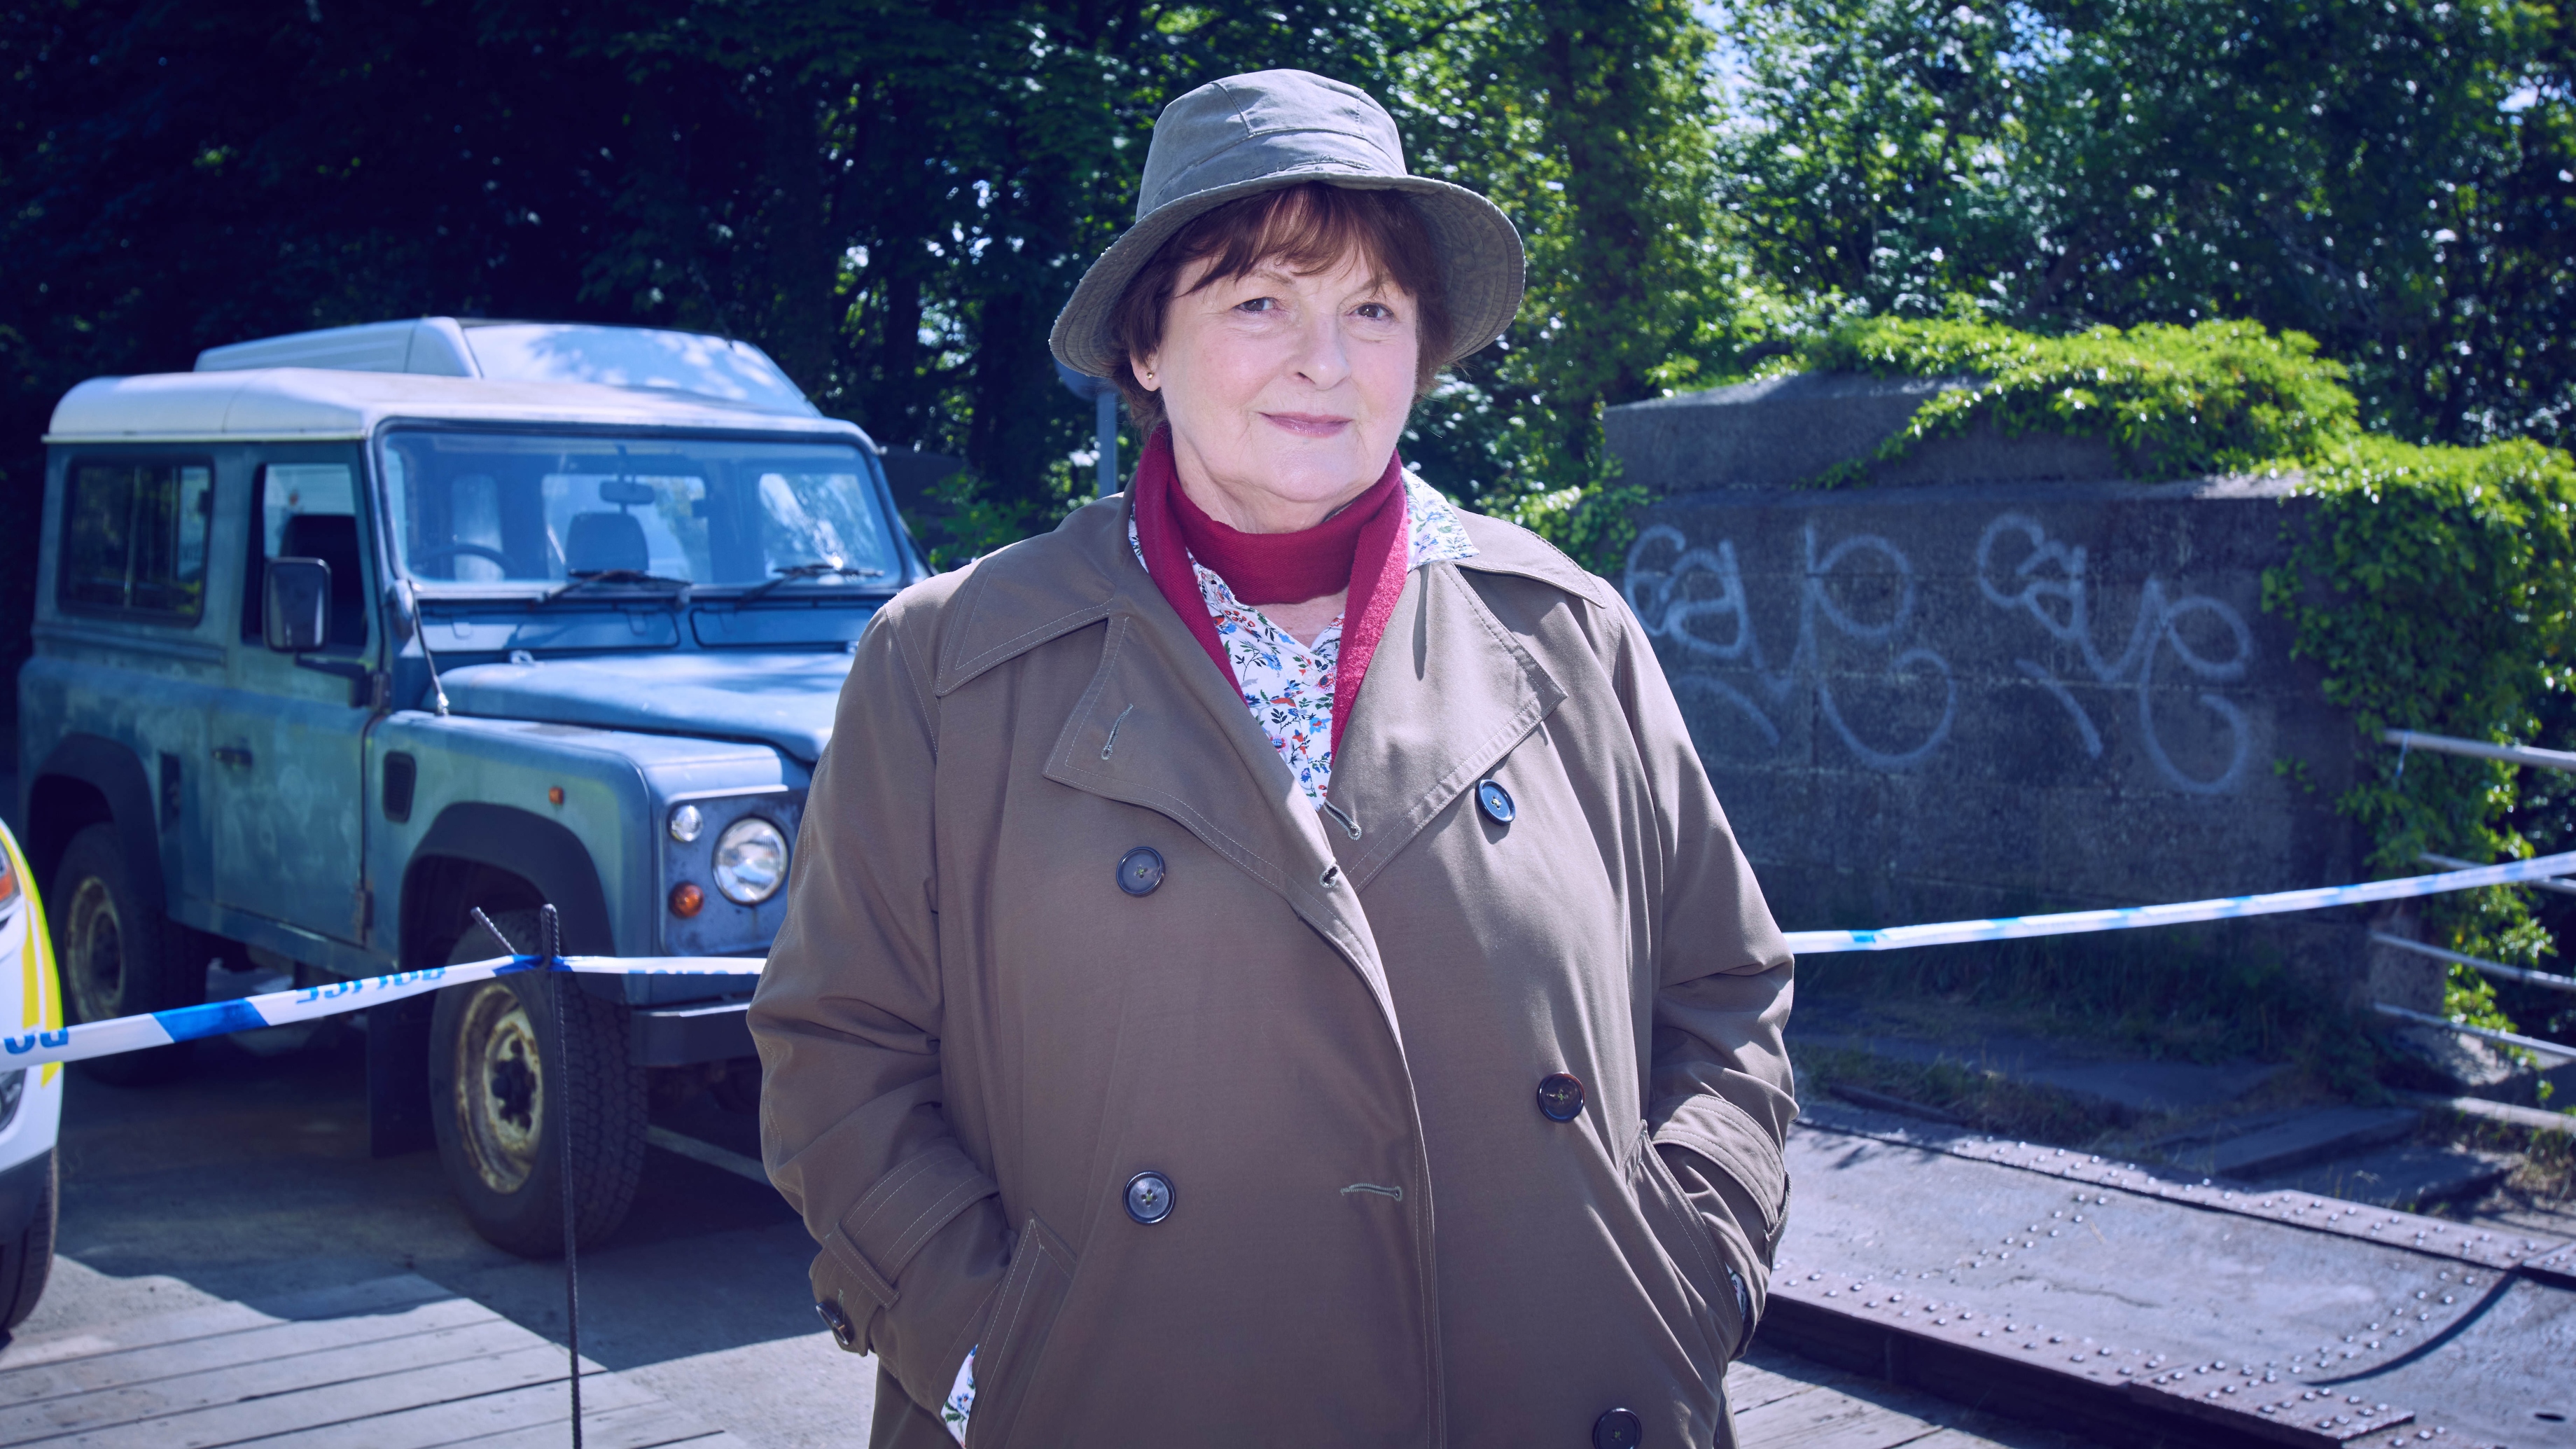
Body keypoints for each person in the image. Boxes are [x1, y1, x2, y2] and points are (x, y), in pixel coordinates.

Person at [751, 68, 1795, 1449]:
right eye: (1258, 302)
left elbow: (1727, 997)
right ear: (1144, 347)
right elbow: (838, 1059)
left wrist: (1695, 1273)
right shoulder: (948, 661)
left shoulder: (1567, 633)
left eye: (1371, 308)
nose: (1325, 360)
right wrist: (985, 1360)